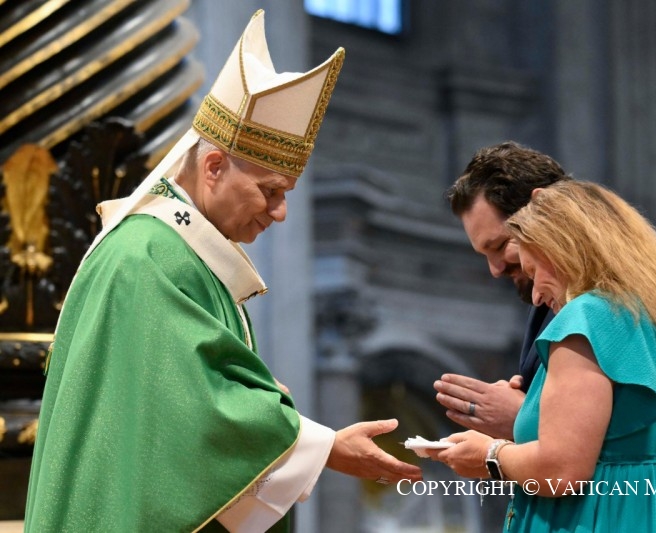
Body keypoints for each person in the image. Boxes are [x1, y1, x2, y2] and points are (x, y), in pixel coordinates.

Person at [24, 10, 421, 532]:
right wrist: (323, 445)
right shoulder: (148, 255)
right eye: (270, 190)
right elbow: (194, 410)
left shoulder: (183, 255)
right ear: (214, 167)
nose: (281, 212)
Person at [433, 141, 656, 532]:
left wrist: (495, 450)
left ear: (546, 217)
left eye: (504, 245)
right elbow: (633, 425)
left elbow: (565, 466)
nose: (533, 293)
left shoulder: (590, 312)